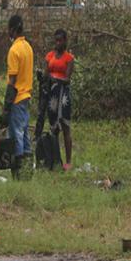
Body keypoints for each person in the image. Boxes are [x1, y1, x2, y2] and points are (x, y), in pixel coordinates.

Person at [1, 14, 33, 174]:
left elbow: (12, 80)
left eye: (9, 30)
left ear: (13, 30)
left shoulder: (14, 50)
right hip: (26, 96)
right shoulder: (28, 47)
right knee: (25, 132)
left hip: (17, 97)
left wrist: (6, 106)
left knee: (16, 134)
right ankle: (28, 168)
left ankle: (19, 170)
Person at [44, 29, 75, 170]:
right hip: (52, 94)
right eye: (56, 40)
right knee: (53, 127)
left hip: (63, 94)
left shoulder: (69, 58)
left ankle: (68, 161)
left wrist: (56, 79)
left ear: (65, 41)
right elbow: (46, 74)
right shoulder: (49, 56)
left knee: (65, 125)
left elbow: (67, 79)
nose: (58, 43)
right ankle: (55, 159)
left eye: (60, 40)